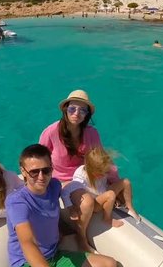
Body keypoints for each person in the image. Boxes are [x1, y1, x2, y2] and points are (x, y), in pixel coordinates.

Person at [6, 144, 116, 267]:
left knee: (108, 266)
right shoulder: (17, 202)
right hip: (27, 265)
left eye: (46, 170)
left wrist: (75, 206)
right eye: (34, 172)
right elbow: (27, 241)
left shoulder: (54, 186)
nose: (41, 176)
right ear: (23, 171)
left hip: (54, 255)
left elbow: (67, 190)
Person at [39, 89, 120, 252]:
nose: (77, 113)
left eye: (83, 110)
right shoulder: (51, 131)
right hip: (62, 181)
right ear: (65, 109)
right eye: (72, 108)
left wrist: (114, 181)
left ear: (87, 114)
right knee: (88, 202)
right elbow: (40, 158)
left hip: (86, 176)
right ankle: (81, 237)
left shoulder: (92, 133)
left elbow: (100, 159)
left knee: (122, 185)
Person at [72, 147, 139, 227]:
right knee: (110, 194)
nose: (104, 175)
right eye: (101, 173)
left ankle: (130, 207)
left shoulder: (101, 171)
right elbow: (73, 193)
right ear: (91, 170)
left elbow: (111, 180)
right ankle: (107, 219)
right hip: (95, 204)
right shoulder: (81, 177)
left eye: (105, 172)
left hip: (103, 193)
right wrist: (73, 209)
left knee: (126, 182)